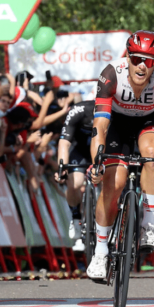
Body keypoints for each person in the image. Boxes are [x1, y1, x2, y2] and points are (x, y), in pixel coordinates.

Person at [87, 30, 154, 280]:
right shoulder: (110, 74)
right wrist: (98, 164)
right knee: (113, 184)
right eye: (135, 58)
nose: (140, 65)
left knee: (152, 153)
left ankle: (148, 224)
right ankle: (101, 251)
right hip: (116, 122)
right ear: (127, 56)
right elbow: (100, 127)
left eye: (148, 61)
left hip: (149, 122)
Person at [54, 100, 94, 252]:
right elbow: (64, 143)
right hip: (80, 150)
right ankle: (76, 217)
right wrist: (62, 167)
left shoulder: (115, 111)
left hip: (105, 150)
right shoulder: (79, 110)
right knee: (75, 183)